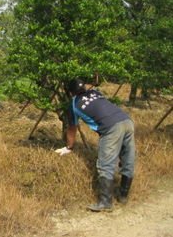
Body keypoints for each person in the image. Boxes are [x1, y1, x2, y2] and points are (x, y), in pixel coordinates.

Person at [55, 78, 135, 212]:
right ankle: (123, 196)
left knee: (105, 165)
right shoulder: (96, 93)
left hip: (111, 128)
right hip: (127, 121)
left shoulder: (74, 105)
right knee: (128, 159)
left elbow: (72, 128)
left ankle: (105, 203)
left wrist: (69, 147)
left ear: (71, 92)